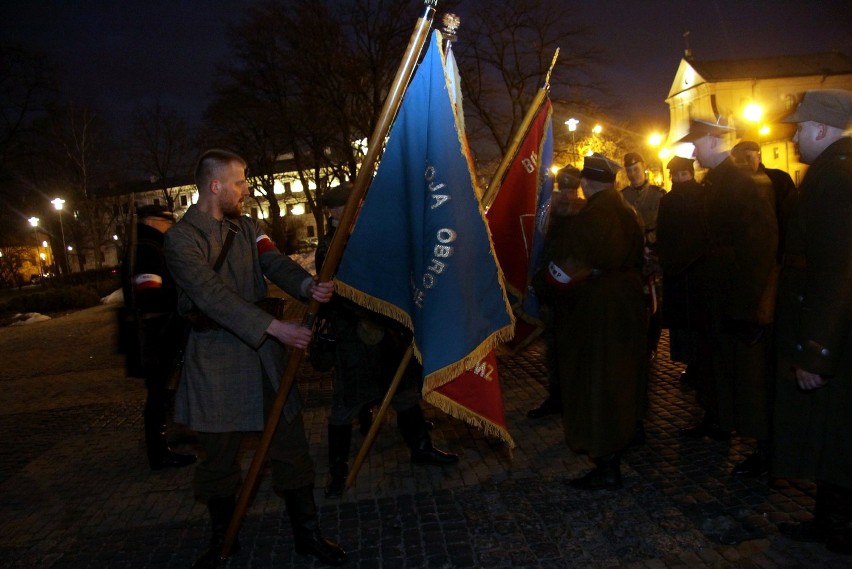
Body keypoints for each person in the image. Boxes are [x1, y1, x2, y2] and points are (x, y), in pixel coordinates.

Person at [163, 149, 346, 567]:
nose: (247, 190)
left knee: (292, 449)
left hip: (263, 360)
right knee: (220, 462)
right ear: (215, 185)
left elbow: (274, 263)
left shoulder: (247, 228)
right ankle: (223, 540)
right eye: (240, 182)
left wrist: (306, 286)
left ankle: (308, 534)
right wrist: (277, 329)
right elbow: (210, 295)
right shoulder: (181, 239)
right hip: (216, 364)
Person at [314, 183, 458, 498]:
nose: (361, 207)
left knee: (404, 394)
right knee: (347, 405)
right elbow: (341, 293)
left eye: (361, 202)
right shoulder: (331, 246)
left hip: (388, 334)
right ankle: (337, 471)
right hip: (355, 339)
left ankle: (421, 448)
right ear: (334, 212)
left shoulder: (369, 235)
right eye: (352, 204)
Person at [535, 153, 647, 490]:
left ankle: (606, 461)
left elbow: (570, 268)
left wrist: (540, 286)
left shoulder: (593, 215)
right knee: (624, 375)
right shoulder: (627, 210)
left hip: (597, 308)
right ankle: (628, 431)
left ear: (585, 182)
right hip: (626, 302)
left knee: (597, 381)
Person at [771, 89, 852, 553]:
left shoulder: (837, 178)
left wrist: (816, 350)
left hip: (833, 335)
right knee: (831, 430)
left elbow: (837, 271)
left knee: (835, 430)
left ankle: (837, 526)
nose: (795, 136)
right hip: (835, 331)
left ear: (821, 129)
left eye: (800, 128)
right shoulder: (832, 172)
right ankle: (829, 520)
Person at [676, 119, 778, 477]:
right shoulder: (719, 182)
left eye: (698, 144)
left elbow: (760, 246)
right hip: (718, 291)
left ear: (713, 142)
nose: (694, 151)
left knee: (749, 377)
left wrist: (749, 306)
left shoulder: (743, 183)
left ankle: (764, 449)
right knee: (716, 363)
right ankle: (718, 418)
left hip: (737, 296)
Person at [119, 204, 196, 471]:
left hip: (153, 333)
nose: (170, 226)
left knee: (159, 391)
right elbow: (150, 292)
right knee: (157, 392)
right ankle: (159, 451)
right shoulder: (147, 249)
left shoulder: (145, 245)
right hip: (155, 334)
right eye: (167, 222)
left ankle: (162, 446)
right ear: (153, 221)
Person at [527, 165, 584, 419]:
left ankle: (572, 397)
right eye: (564, 188)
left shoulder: (581, 213)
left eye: (570, 188)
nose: (566, 195)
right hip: (553, 293)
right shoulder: (548, 213)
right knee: (554, 350)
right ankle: (558, 396)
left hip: (572, 293)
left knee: (571, 350)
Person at [655, 156, 707, 388]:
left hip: (698, 273)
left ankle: (701, 365)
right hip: (676, 273)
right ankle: (689, 363)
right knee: (681, 325)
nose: (678, 179)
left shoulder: (704, 197)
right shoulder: (668, 201)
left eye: (682, 175)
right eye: (675, 176)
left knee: (698, 321)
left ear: (690, 174)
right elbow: (663, 233)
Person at [620, 152, 666, 360]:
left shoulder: (658, 195)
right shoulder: (621, 197)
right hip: (632, 259)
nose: (632, 174)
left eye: (635, 169)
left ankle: (652, 344)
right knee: (634, 302)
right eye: (628, 170)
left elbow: (665, 225)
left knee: (655, 303)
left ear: (644, 167)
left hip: (653, 258)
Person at [731, 139, 797, 259]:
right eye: (740, 159)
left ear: (759, 157)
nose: (746, 162)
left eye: (749, 157)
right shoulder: (732, 186)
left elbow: (790, 214)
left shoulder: (779, 178)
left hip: (776, 249)